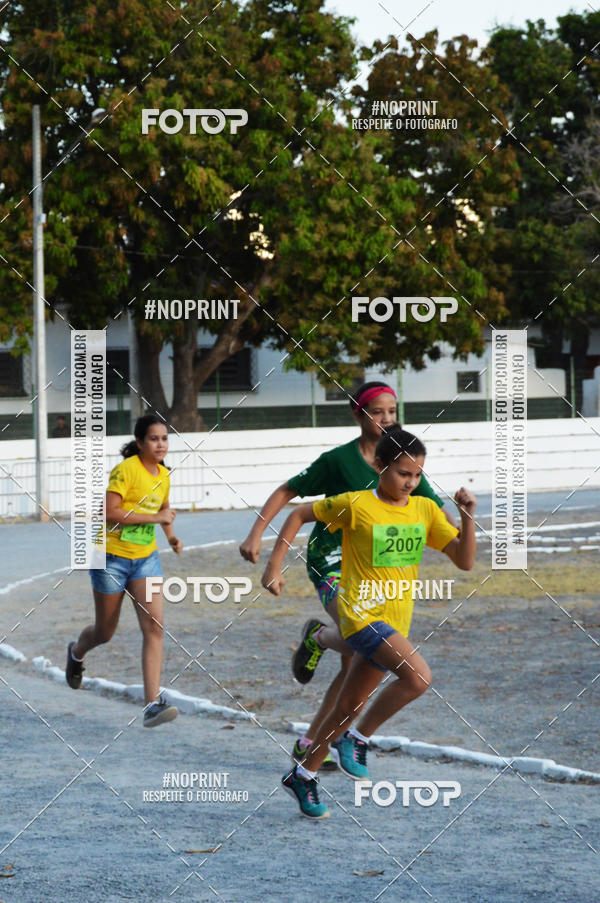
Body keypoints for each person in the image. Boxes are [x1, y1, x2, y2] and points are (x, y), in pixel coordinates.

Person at [262, 425, 476, 818]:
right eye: (402, 473)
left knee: (346, 706)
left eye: (417, 475)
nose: (410, 482)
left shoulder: (425, 510)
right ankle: (358, 739)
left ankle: (303, 775)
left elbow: (464, 561)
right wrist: (274, 565)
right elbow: (298, 513)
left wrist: (467, 519)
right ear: (380, 466)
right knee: (418, 677)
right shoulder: (357, 504)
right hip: (360, 614)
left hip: (395, 621)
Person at [239, 381, 456, 767]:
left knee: (358, 663)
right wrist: (261, 542)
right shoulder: (339, 460)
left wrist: (456, 528)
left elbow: (435, 511)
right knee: (362, 642)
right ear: (358, 415)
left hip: (375, 570)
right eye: (378, 412)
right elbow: (289, 494)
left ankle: (312, 743)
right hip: (332, 563)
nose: (387, 419)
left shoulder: (406, 462)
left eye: (392, 411)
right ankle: (320, 640)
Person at [65, 414, 183, 728]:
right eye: (154, 439)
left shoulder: (163, 474)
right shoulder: (125, 470)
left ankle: (151, 705)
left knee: (155, 628)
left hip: (146, 559)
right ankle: (76, 653)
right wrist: (157, 521)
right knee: (104, 632)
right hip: (111, 558)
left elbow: (163, 510)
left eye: (165, 439)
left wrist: (170, 537)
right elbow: (110, 512)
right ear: (141, 442)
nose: (161, 444)